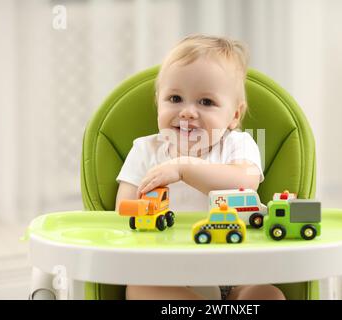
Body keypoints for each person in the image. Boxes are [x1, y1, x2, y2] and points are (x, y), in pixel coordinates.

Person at [115, 34, 285, 300]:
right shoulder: (145, 150)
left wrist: (184, 168)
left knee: (268, 294)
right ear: (158, 101)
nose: (187, 112)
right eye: (174, 98)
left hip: (237, 273)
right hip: (165, 274)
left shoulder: (237, 145)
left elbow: (245, 181)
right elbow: (123, 213)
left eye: (206, 102)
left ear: (234, 116)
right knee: (138, 291)